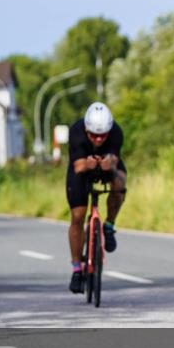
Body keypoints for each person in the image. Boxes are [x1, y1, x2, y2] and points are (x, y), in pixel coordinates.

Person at [66, 102, 126, 293]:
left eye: (103, 136)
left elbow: (115, 159)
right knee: (77, 216)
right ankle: (77, 270)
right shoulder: (76, 130)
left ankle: (108, 226)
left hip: (106, 164)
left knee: (121, 182)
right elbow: (77, 166)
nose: (98, 139)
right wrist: (89, 163)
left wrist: (110, 163)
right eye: (93, 135)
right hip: (82, 167)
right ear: (86, 128)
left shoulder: (116, 131)